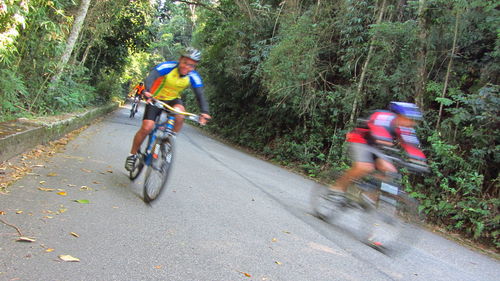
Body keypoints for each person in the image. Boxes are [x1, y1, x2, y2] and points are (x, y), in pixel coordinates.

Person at [125, 47, 211, 171]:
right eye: (185, 63)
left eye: (191, 65)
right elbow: (151, 77)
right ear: (180, 60)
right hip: (155, 97)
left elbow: (200, 94)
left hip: (173, 99)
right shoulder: (168, 67)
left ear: (195, 66)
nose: (187, 67)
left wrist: (204, 112)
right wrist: (147, 91)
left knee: (180, 113)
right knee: (147, 127)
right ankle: (132, 155)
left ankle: (169, 140)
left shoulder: (193, 76)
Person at [329, 101, 427, 204]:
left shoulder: (405, 129)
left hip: (376, 148)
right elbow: (377, 128)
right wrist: (384, 140)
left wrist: (420, 162)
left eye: (413, 120)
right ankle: (338, 188)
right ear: (399, 115)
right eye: (409, 119)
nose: (411, 123)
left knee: (390, 171)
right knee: (365, 166)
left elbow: (412, 147)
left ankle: (367, 197)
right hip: (360, 140)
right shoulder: (384, 117)